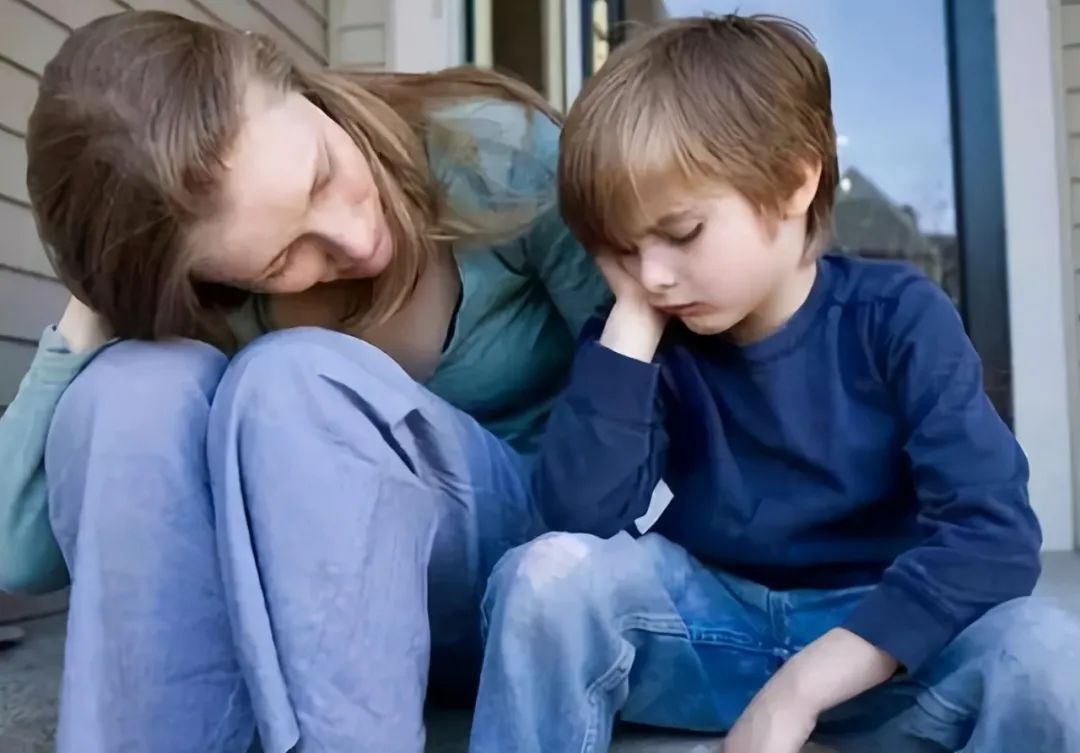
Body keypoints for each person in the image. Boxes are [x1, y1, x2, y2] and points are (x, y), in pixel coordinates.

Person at [0, 10, 608, 753]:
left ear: (297, 83)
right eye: (278, 259)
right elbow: (17, 555)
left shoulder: (486, 151)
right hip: (296, 632)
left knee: (294, 381)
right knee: (133, 386)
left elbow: (662, 385)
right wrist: (100, 305)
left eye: (322, 172)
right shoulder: (203, 306)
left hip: (519, 571)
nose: (355, 240)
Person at [471, 14, 1080, 753]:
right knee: (542, 577)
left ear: (795, 181)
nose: (655, 273)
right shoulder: (646, 327)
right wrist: (631, 317)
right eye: (624, 249)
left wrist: (799, 690)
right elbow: (578, 518)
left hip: (877, 649)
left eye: (681, 233)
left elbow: (993, 536)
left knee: (1050, 654)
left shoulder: (897, 317)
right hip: (707, 630)